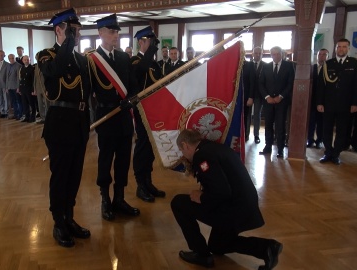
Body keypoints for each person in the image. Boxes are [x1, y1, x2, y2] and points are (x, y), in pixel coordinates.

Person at [172, 129, 283, 269]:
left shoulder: (202, 156)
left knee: (178, 203)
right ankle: (267, 248)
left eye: (182, 150)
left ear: (186, 145)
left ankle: (201, 254)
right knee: (217, 245)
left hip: (233, 209)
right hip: (244, 206)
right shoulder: (215, 148)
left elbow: (221, 191)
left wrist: (201, 197)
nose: (184, 155)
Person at [36, 8, 92, 248]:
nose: (76, 34)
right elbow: (56, 70)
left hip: (80, 122)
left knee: (74, 175)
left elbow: (88, 91)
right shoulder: (45, 55)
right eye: (71, 30)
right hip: (59, 123)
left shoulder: (82, 59)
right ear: (58, 30)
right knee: (60, 176)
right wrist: (68, 42)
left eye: (77, 31)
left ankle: (69, 217)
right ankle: (58, 222)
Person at [87, 13, 140, 221]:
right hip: (106, 116)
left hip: (124, 117)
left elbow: (134, 87)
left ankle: (119, 198)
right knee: (105, 159)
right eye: (111, 31)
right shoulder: (92, 61)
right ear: (100, 33)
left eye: (117, 31)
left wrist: (132, 100)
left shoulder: (123, 57)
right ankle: (105, 199)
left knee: (123, 159)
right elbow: (87, 92)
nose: (115, 34)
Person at [130, 26, 166, 203]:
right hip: (142, 111)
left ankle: (148, 181)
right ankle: (140, 185)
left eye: (153, 42)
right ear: (140, 43)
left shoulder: (154, 63)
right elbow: (139, 72)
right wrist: (151, 51)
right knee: (143, 146)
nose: (152, 46)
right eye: (149, 42)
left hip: (155, 110)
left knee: (151, 147)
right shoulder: (136, 61)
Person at [317, 38, 357, 165]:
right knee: (327, 129)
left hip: (345, 104)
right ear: (335, 48)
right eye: (339, 47)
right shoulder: (328, 64)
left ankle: (336, 154)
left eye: (344, 47)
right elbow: (321, 85)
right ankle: (328, 152)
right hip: (329, 103)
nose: (341, 49)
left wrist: (355, 103)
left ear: (348, 48)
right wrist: (319, 102)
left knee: (342, 130)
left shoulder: (353, 63)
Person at [258, 46, 295, 158]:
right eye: (273, 54)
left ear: (281, 54)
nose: (275, 56)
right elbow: (261, 83)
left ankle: (280, 149)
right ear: (271, 55)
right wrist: (267, 97)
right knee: (268, 124)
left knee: (280, 126)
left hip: (282, 102)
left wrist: (281, 96)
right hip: (268, 102)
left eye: (277, 54)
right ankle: (267, 146)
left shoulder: (289, 66)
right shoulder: (266, 67)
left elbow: (290, 83)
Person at [307, 49, 329, 149]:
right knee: (311, 121)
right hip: (312, 100)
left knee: (321, 122)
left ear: (327, 56)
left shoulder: (329, 68)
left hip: (324, 101)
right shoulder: (312, 68)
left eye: (324, 54)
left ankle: (319, 140)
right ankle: (310, 140)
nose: (322, 56)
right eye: (320, 54)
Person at [251, 46, 266, 144]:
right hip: (248, 94)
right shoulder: (247, 65)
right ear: (252, 54)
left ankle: (256, 135)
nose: (257, 55)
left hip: (260, 95)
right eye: (256, 53)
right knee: (247, 115)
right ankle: (245, 135)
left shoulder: (266, 66)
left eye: (259, 53)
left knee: (257, 115)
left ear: (262, 54)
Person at [18, 55, 36, 123]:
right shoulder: (21, 68)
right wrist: (20, 89)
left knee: (31, 103)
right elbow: (21, 79)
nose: (26, 61)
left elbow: (33, 80)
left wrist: (33, 89)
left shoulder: (32, 68)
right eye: (25, 60)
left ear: (29, 60)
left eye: (27, 59)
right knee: (25, 104)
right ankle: (27, 117)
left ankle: (33, 117)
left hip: (29, 88)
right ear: (22, 61)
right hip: (23, 89)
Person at [5, 54, 23, 120]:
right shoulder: (8, 66)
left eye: (13, 58)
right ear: (8, 59)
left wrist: (18, 87)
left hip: (16, 86)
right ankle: (16, 114)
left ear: (15, 58)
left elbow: (19, 78)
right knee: (13, 102)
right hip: (9, 87)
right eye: (10, 58)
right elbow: (7, 77)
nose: (11, 59)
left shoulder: (18, 66)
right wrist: (7, 87)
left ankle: (20, 114)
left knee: (19, 101)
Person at [242, 60, 255, 142]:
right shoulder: (231, 62)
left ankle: (244, 136)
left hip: (245, 96)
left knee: (245, 116)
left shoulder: (249, 65)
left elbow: (252, 82)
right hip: (232, 97)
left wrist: (251, 97)